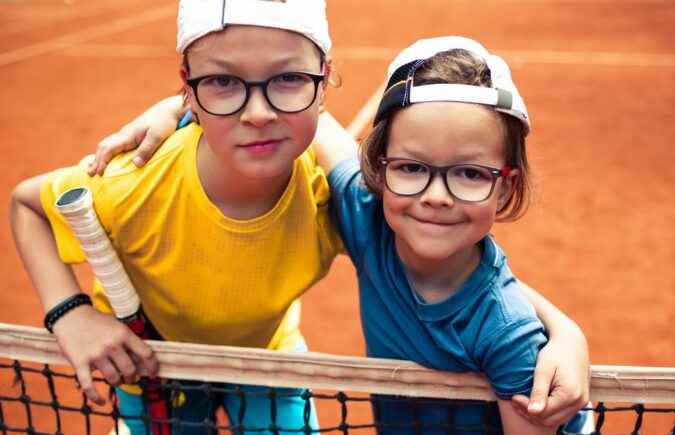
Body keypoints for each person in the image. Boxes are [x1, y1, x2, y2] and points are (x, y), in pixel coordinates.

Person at [85, 33, 592, 433]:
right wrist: (177, 107)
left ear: (506, 190)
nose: (436, 195)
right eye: (412, 168)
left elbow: (490, 308)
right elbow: (300, 117)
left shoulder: (510, 341)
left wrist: (563, 331)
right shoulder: (367, 216)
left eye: (470, 174)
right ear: (376, 168)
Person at [10, 0, 341, 433]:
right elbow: (27, 203)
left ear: (325, 77)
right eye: (222, 81)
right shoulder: (135, 184)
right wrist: (69, 312)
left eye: (290, 78)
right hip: (151, 361)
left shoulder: (331, 192)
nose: (258, 114)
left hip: (267, 355)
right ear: (187, 85)